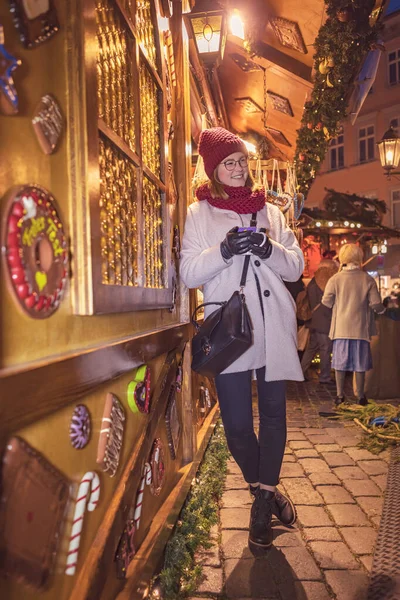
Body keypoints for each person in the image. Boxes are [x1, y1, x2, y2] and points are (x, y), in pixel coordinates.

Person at [180, 127, 304, 553]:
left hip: (271, 324)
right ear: (213, 168)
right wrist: (226, 250)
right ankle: (264, 491)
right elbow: (189, 274)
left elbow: (294, 268)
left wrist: (269, 248)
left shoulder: (271, 211)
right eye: (228, 163)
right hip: (230, 329)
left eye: (241, 162)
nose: (237, 169)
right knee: (235, 426)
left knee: (272, 415)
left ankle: (262, 501)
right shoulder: (199, 215)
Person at [321, 243, 385, 407]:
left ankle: (340, 395)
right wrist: (383, 311)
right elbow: (376, 303)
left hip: (341, 328)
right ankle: (360, 396)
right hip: (360, 329)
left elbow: (326, 301)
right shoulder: (367, 279)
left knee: (340, 363)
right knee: (360, 364)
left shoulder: (335, 279)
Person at [301, 260, 338, 384]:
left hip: (314, 321)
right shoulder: (327, 281)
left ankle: (301, 372)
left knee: (311, 349)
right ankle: (325, 376)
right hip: (325, 322)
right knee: (325, 350)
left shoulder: (313, 281)